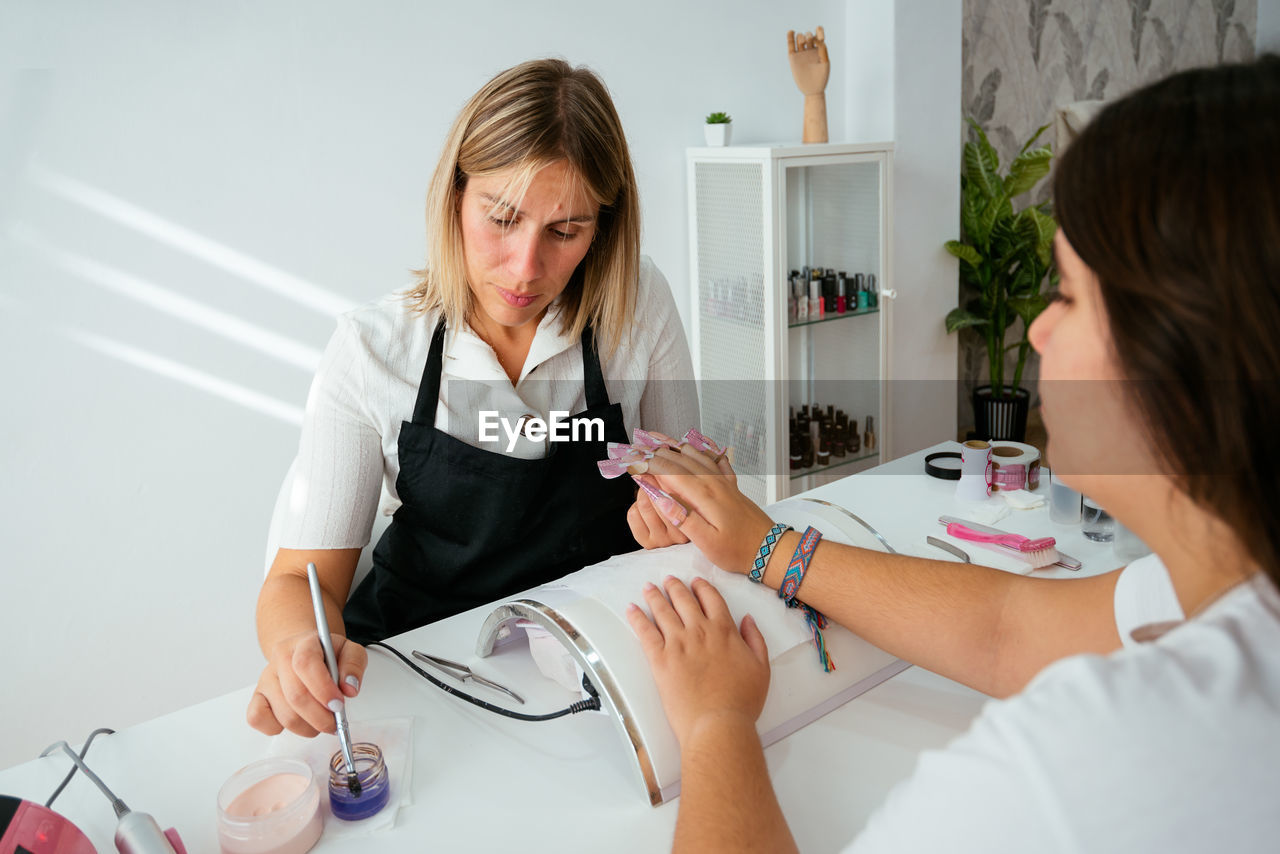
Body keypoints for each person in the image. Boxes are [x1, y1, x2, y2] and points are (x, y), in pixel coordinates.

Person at [627, 55, 1280, 852]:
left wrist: (715, 722)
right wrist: (768, 546)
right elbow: (1010, 628)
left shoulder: (1101, 755)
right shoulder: (1230, 595)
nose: (1036, 331)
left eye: (1067, 294)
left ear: (1190, 353)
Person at [248, 58, 698, 739]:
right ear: (455, 196)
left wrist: (687, 508)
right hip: (420, 669)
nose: (525, 268)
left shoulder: (636, 304)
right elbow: (296, 583)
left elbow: (693, 493)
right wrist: (298, 652)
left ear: (603, 227)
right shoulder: (373, 349)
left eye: (565, 231)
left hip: (594, 665)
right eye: (502, 218)